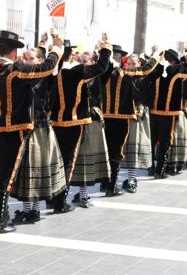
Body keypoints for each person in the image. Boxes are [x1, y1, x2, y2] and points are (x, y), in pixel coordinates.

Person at [0, 30, 61, 235]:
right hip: (14, 132)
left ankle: (1, 216)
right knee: (5, 177)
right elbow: (47, 67)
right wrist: (56, 48)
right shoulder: (16, 70)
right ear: (14, 52)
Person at [50, 35, 112, 211]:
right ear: (71, 55)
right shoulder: (77, 71)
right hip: (74, 122)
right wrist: (106, 47)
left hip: (55, 121)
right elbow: (101, 66)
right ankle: (60, 202)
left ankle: (54, 197)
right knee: (68, 162)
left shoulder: (55, 71)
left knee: (57, 160)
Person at [10, 44, 66, 224]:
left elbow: (55, 68)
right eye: (24, 58)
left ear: (41, 61)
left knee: (34, 168)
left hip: (38, 127)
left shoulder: (46, 77)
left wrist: (54, 47)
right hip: (22, 127)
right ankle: (27, 209)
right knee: (24, 170)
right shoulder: (19, 75)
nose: (26, 61)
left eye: (31, 58)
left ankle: (34, 210)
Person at [101, 44, 159, 196]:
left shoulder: (104, 72)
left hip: (117, 117)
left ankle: (115, 182)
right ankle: (110, 185)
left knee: (115, 150)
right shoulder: (123, 73)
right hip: (122, 117)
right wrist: (156, 55)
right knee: (115, 151)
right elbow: (147, 69)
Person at [148, 49, 187, 178]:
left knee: (153, 140)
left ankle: (152, 167)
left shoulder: (155, 70)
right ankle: (160, 170)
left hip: (153, 112)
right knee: (164, 142)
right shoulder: (176, 70)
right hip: (169, 113)